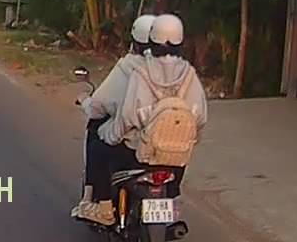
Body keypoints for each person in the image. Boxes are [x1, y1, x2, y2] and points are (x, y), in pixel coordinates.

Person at [81, 14, 208, 226]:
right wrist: (189, 141)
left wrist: (110, 136)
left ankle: (104, 208)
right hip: (174, 157)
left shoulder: (141, 73)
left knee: (98, 145)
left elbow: (127, 117)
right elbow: (200, 117)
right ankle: (171, 201)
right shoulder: (189, 74)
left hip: (139, 152)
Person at [72, 14, 156, 221]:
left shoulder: (128, 68)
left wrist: (84, 100)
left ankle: (103, 206)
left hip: (134, 148)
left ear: (135, 42)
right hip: (169, 151)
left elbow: (99, 108)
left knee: (96, 137)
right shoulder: (180, 71)